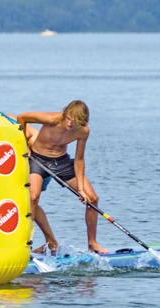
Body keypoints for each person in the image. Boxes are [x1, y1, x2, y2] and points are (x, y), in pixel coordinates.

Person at [16, 100, 103, 254]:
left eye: (75, 122)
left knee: (92, 199)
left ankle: (92, 244)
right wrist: (24, 146)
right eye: (68, 118)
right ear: (65, 114)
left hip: (61, 162)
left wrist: (81, 189)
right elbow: (22, 117)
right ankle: (24, 245)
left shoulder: (83, 131)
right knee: (33, 197)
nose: (70, 124)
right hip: (37, 159)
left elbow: (79, 159)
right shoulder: (51, 119)